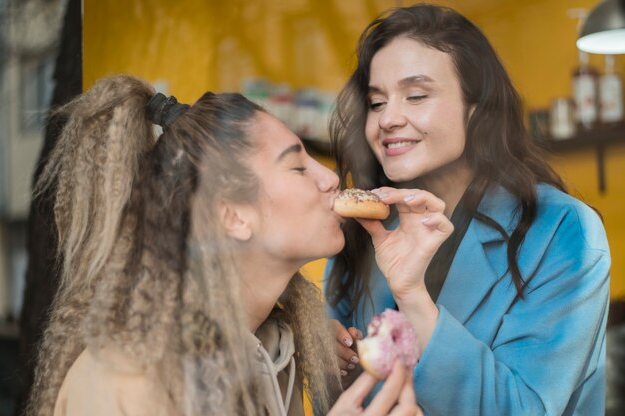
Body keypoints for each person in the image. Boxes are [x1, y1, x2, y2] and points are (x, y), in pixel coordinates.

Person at [23, 74, 435, 416]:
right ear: (234, 215)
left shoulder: (279, 356)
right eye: (296, 166)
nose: (329, 179)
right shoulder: (123, 381)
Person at [324, 4, 611, 416]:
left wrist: (413, 298)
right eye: (376, 102)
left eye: (416, 95)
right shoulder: (358, 232)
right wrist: (326, 354)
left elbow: (523, 409)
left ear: (477, 110)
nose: (388, 118)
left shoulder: (563, 231)